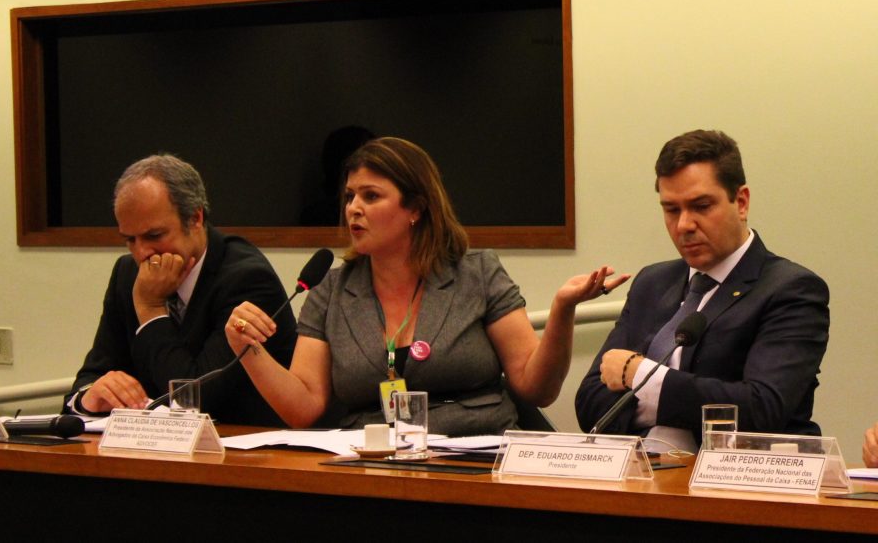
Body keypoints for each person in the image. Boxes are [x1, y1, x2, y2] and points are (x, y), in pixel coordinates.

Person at [225, 137, 628, 435]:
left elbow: (535, 387)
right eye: (349, 197)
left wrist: (562, 310)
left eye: (370, 196)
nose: (353, 209)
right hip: (370, 464)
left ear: (416, 208)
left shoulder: (476, 274)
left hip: (477, 457)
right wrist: (247, 348)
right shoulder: (331, 291)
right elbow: (304, 407)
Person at [575, 130, 829, 450]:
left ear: (741, 202)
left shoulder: (791, 289)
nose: (684, 225)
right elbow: (590, 402)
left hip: (743, 474)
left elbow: (761, 409)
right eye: (671, 210)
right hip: (649, 472)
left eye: (701, 206)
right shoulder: (652, 283)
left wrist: (640, 376)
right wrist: (676, 404)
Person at [64, 154, 297, 425]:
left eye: (154, 236)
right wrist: (89, 398)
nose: (141, 253)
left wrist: (151, 310)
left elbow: (197, 399)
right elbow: (92, 375)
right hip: (150, 444)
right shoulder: (127, 274)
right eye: (130, 239)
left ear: (195, 218)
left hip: (243, 442)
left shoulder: (247, 279)